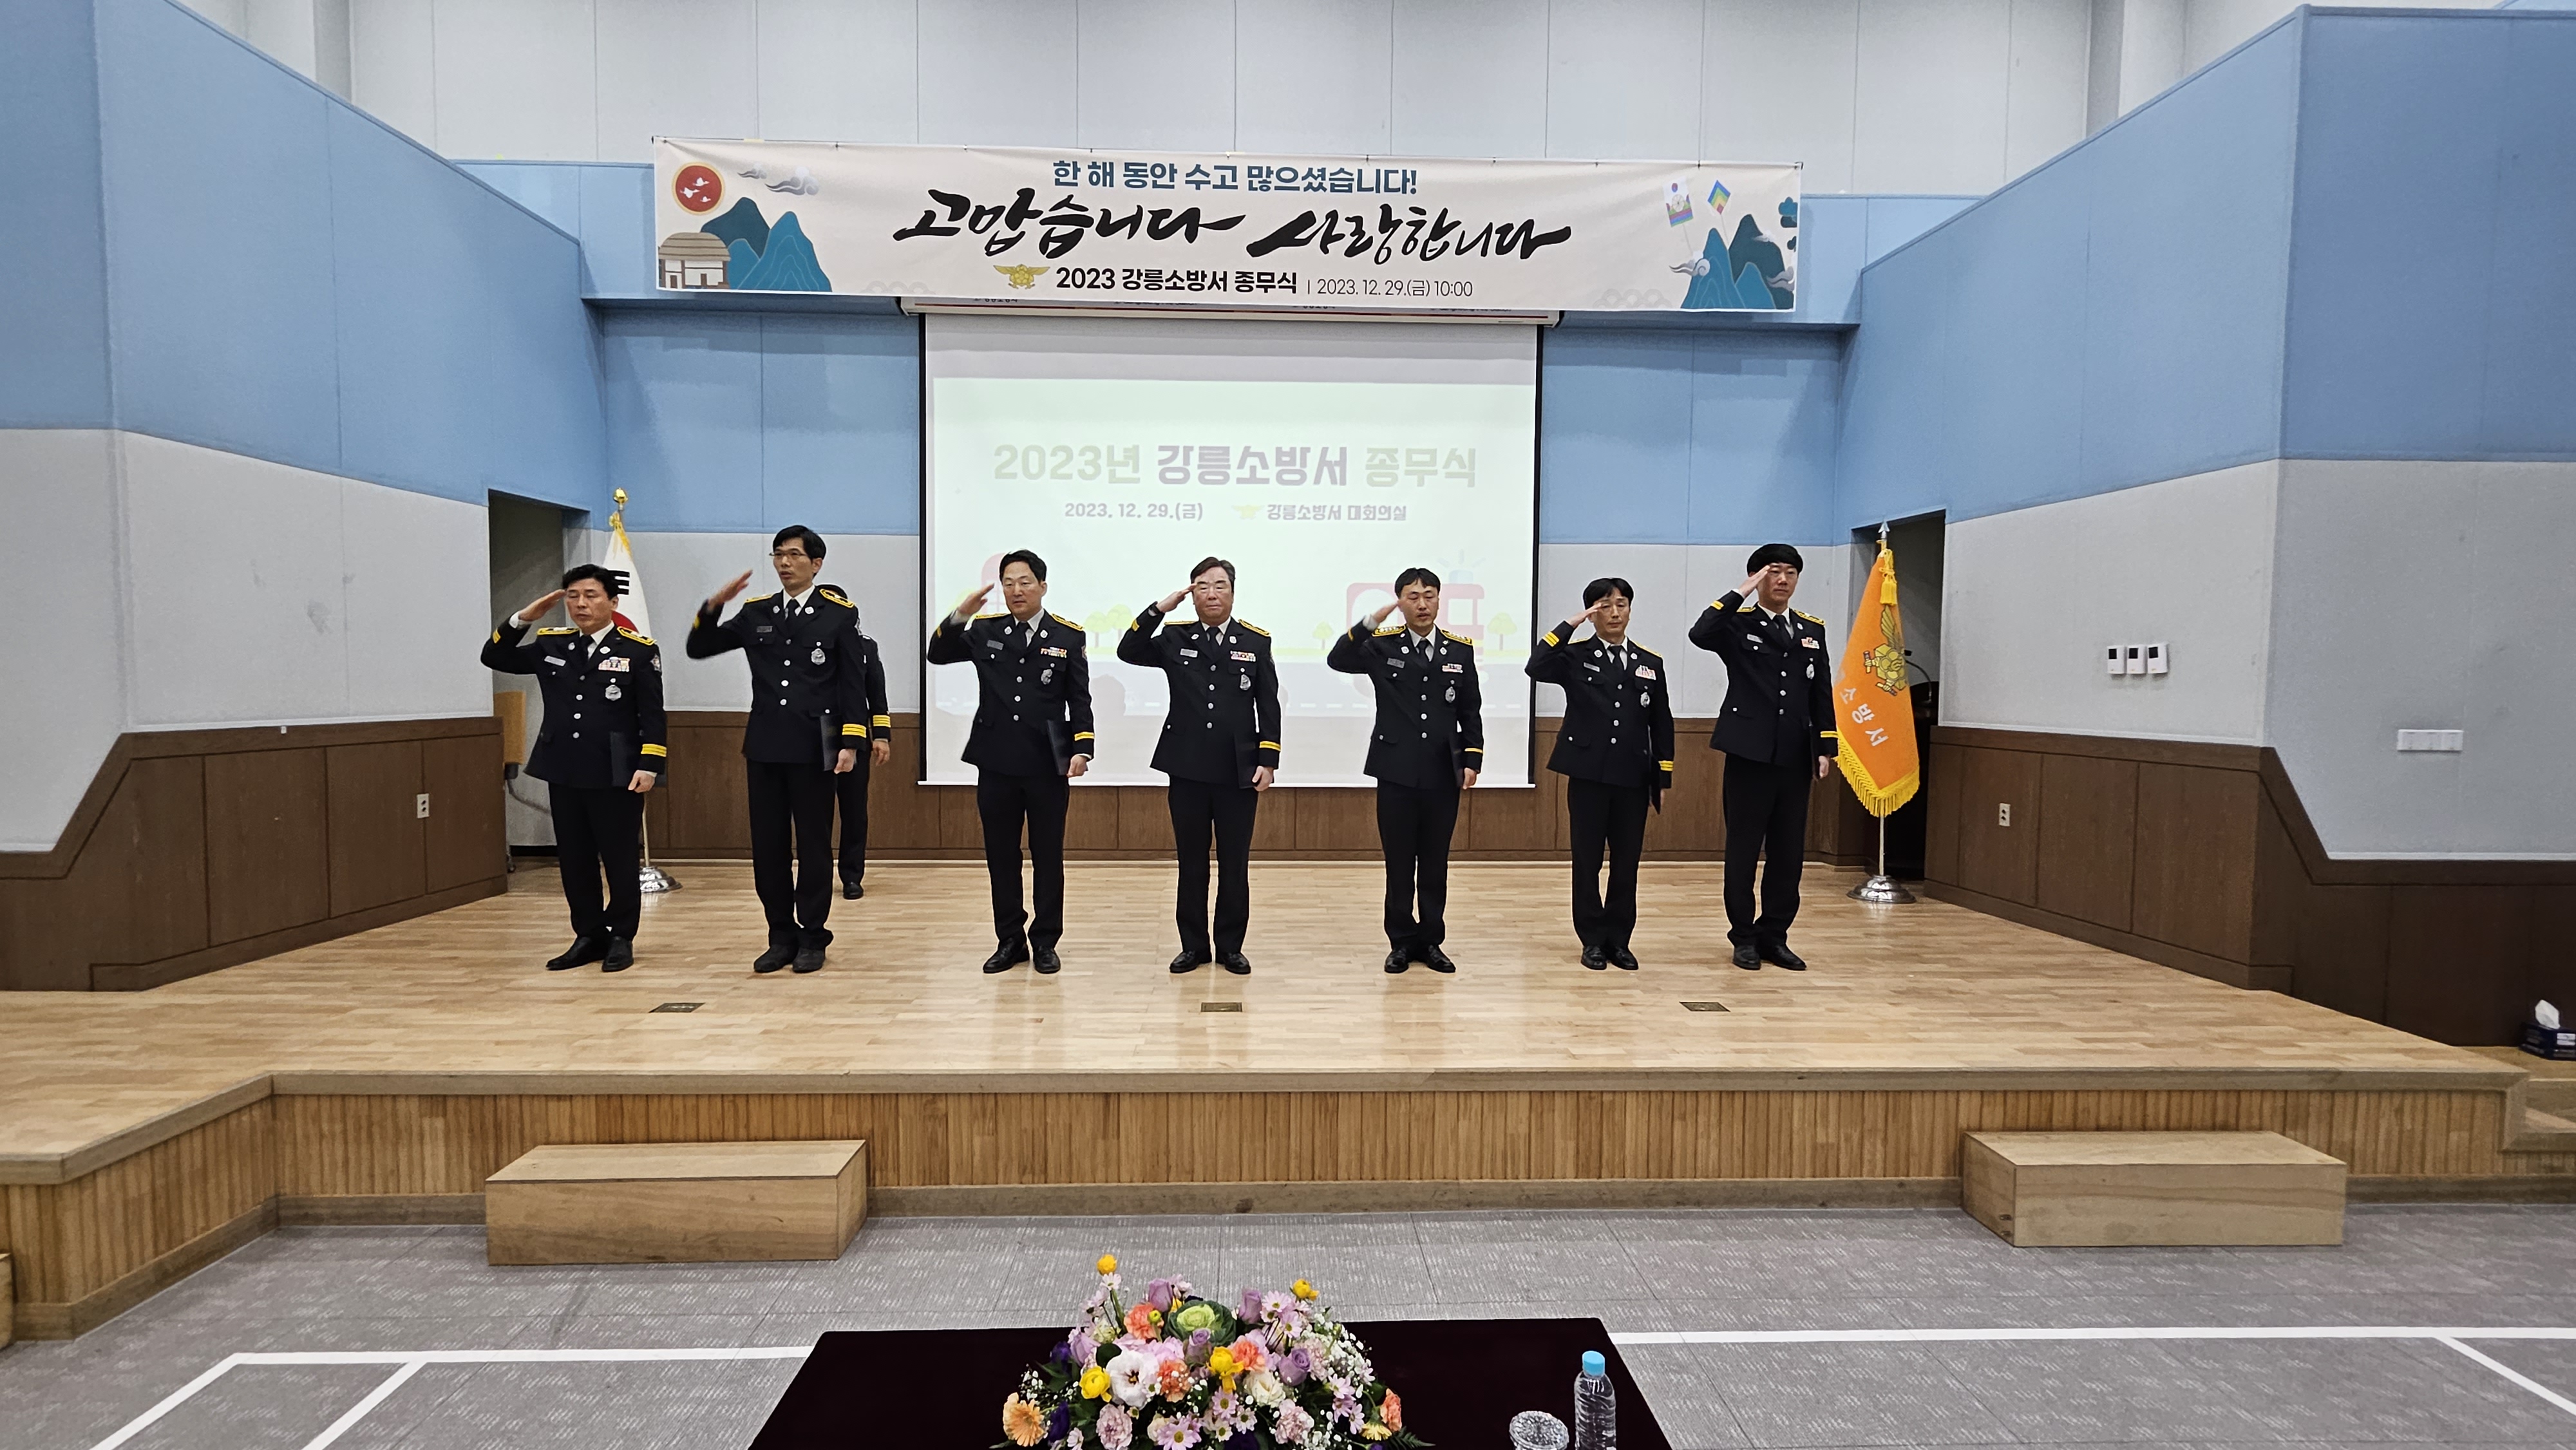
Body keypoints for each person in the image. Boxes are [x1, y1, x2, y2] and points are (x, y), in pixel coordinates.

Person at [686, 525, 867, 974]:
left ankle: (813, 935)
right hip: (766, 745)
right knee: (768, 848)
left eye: (794, 555)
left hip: (814, 747)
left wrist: (851, 742)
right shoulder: (756, 612)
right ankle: (780, 935)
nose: (785, 563)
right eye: (778, 555)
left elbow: (851, 683)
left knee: (813, 845)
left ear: (816, 564)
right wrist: (713, 606)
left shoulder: (839, 614)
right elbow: (700, 648)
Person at [481, 565, 666, 973]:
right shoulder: (553, 643)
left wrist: (650, 765)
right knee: (575, 858)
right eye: (573, 596)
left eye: (591, 596)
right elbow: (493, 656)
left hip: (616, 771)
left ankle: (621, 936)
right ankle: (588, 935)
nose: (581, 604)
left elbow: (652, 714)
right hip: (563, 766)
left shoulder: (638, 650)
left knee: (618, 858)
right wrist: (523, 618)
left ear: (613, 602)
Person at [925, 549, 1095, 975]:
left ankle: (1046, 942)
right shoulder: (985, 630)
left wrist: (1082, 747)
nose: (1016, 590)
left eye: (1024, 582)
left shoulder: (1068, 636)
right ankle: (1010, 940)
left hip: (1046, 763)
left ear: (1042, 586)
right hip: (996, 759)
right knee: (1001, 856)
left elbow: (1079, 698)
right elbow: (938, 654)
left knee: (1048, 856)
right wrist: (961, 614)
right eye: (1008, 583)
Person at [1118, 557, 1279, 975]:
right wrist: (1160, 609)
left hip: (1238, 770)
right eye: (1202, 586)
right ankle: (1193, 947)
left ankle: (1230, 947)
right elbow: (1128, 650)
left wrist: (1268, 760)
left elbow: (1268, 704)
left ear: (1233, 593)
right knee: (1191, 863)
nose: (1212, 594)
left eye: (1220, 586)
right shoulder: (1175, 637)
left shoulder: (1255, 641)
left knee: (1234, 864)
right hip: (1187, 767)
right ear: (1192, 595)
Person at [1689, 544, 1837, 971]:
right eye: (1774, 572)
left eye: (1791, 572)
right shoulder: (1737, 624)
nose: (1783, 580)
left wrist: (1826, 745)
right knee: (1744, 850)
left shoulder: (1811, 630)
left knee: (1788, 854)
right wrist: (1741, 591)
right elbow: (1701, 633)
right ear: (1757, 578)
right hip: (1749, 754)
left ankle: (1775, 935)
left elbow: (1820, 690)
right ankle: (1744, 937)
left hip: (1795, 756)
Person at [1328, 567, 1482, 974]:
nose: (1422, 604)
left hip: (1442, 771)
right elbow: (1338, 659)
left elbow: (1470, 709)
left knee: (1435, 862)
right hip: (1395, 769)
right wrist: (1371, 621)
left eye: (1429, 595)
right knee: (1399, 863)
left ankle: (1431, 941)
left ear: (1439, 600)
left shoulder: (1458, 650)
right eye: (1413, 597)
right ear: (1401, 602)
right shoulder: (1382, 645)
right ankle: (1400, 942)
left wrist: (1473, 759)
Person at [1528, 578, 1674, 972]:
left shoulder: (1650, 662)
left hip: (1633, 777)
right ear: (1592, 614)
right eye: (1604, 606)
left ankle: (1619, 940)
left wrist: (1663, 776)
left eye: (1621, 604)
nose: (1614, 613)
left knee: (1627, 862)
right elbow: (1536, 666)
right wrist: (1570, 624)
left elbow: (1661, 722)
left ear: (1630, 610)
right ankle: (1592, 939)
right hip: (1588, 775)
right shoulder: (1574, 656)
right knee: (1587, 860)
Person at [825, 602, 892, 900]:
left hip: (856, 735)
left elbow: (876, 692)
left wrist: (882, 736)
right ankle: (818, 876)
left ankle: (852, 876)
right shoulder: (805, 644)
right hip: (816, 738)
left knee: (854, 811)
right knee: (816, 812)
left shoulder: (865, 647)